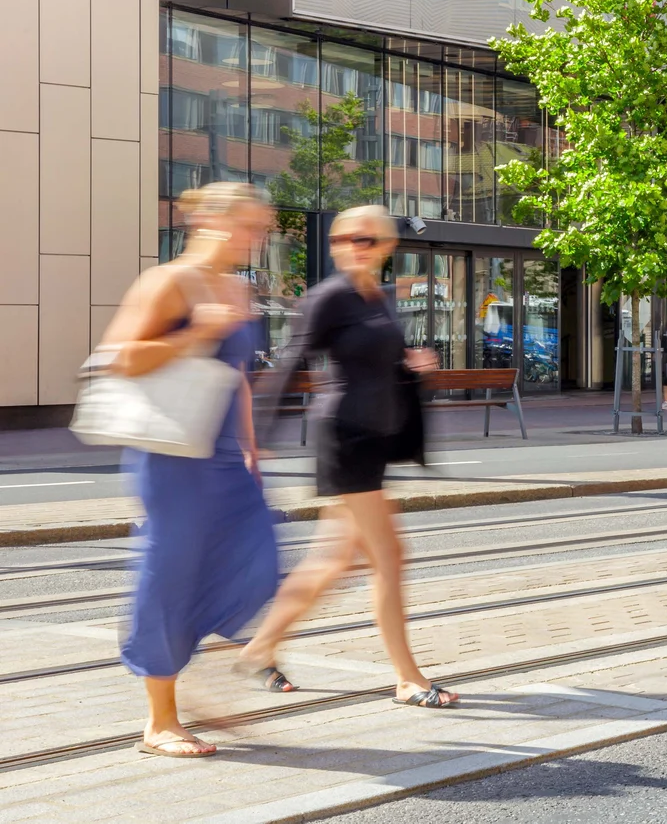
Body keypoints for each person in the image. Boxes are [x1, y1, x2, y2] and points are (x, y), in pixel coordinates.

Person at [244, 205, 457, 709]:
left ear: (386, 246)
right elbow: (290, 362)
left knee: (333, 559)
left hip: (375, 438)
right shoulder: (329, 298)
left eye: (364, 239)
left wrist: (413, 364)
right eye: (341, 238)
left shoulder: (377, 299)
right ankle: (407, 677)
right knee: (390, 558)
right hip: (346, 438)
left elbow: (383, 364)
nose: (350, 246)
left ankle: (259, 648)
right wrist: (255, 440)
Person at [101, 182, 280, 758]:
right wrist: (200, 330)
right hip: (172, 454)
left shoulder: (238, 286)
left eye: (262, 228)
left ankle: (185, 663)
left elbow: (238, 376)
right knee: (172, 574)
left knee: (256, 562)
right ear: (210, 220)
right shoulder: (169, 281)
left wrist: (251, 448)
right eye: (251, 226)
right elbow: (122, 357)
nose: (258, 238)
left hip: (224, 453)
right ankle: (160, 719)